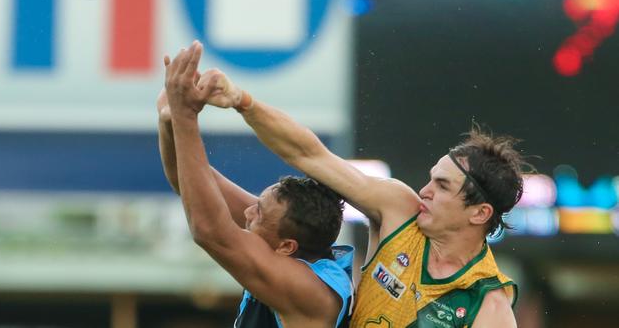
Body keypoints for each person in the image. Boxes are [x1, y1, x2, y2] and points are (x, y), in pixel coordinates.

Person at [197, 66, 528, 327]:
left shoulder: (489, 307)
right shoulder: (401, 210)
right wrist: (243, 101)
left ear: (480, 213)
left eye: (442, 186)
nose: (425, 191)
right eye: (431, 179)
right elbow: (309, 155)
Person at [159, 41, 354, 328]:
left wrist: (186, 116)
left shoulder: (310, 292)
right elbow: (184, 180)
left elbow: (209, 231)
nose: (248, 212)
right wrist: (170, 119)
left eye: (259, 213)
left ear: (287, 246)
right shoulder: (286, 239)